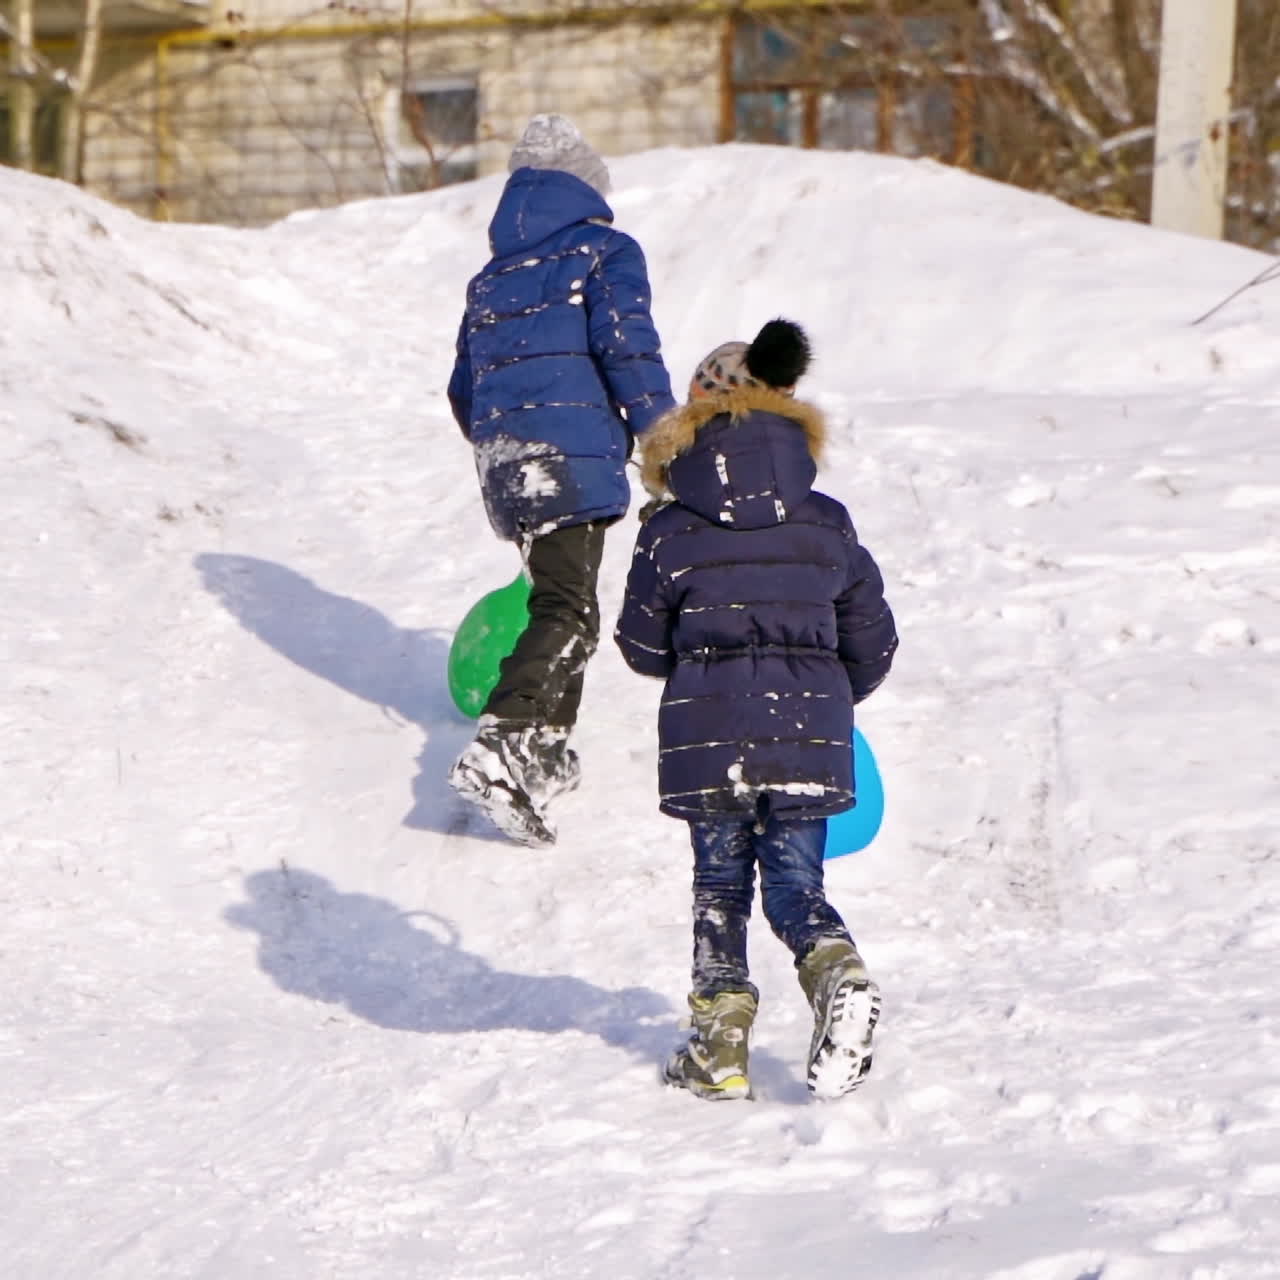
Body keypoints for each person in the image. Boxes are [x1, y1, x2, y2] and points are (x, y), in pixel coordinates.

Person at [614, 319, 898, 1101]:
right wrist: (829, 700)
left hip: (711, 740)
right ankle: (838, 971)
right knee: (795, 884)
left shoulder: (671, 527)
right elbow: (872, 636)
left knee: (720, 888)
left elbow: (639, 645)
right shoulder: (826, 518)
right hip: (808, 731)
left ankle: (718, 1048)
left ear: (695, 414)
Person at [447, 114, 675, 847]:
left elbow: (463, 388)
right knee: (570, 610)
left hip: (508, 465)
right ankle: (507, 734)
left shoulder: (490, 278)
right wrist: (660, 437)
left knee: (563, 600)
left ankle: (542, 747)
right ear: (585, 188)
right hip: (567, 457)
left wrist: (505, 444)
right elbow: (628, 350)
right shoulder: (604, 252)